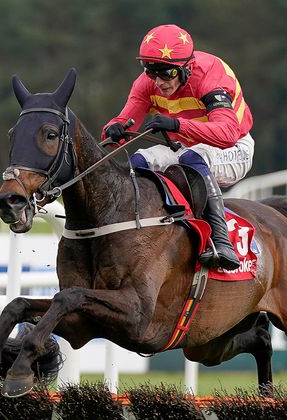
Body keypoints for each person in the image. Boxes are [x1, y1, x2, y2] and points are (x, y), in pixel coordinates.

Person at [101, 24, 254, 270]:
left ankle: (221, 242)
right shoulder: (146, 83)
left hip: (234, 147)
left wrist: (177, 124)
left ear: (187, 67)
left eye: (167, 74)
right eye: (151, 73)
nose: (159, 82)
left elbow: (227, 133)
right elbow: (123, 123)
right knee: (137, 162)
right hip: (185, 146)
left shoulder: (210, 77)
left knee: (192, 158)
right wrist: (114, 129)